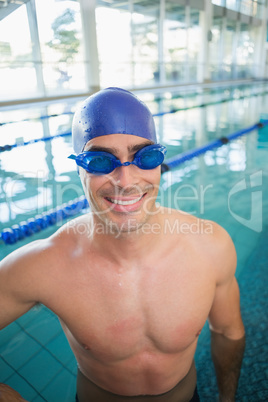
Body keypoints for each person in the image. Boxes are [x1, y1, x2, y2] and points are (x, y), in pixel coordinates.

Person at [0, 88, 245, 402]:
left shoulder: (210, 246)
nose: (126, 180)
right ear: (79, 168)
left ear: (160, 162)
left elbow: (228, 333)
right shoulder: (43, 265)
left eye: (146, 156)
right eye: (100, 161)